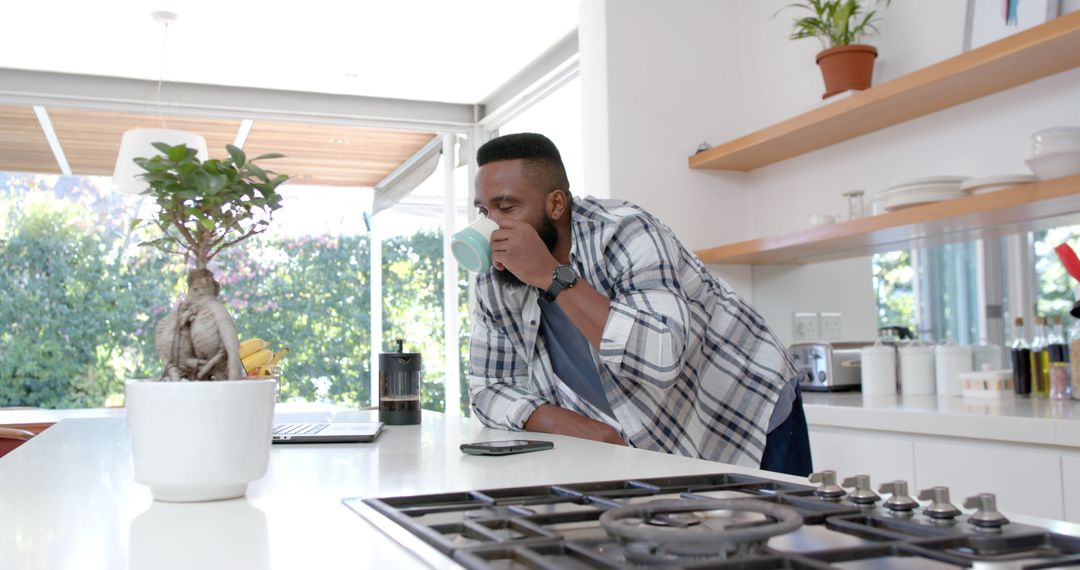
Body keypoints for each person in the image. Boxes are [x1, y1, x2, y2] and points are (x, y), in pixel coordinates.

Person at [467, 132, 811, 475]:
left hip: (745, 406)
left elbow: (660, 359)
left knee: (779, 527)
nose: (490, 224)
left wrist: (552, 276)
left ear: (556, 204)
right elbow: (488, 389)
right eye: (484, 210)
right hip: (656, 434)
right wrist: (576, 426)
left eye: (506, 208)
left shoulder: (625, 231)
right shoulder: (494, 278)